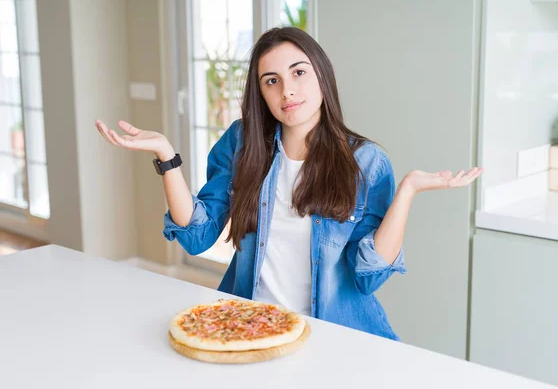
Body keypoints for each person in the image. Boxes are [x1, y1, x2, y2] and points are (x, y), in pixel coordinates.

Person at [95, 27, 483, 341]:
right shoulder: (242, 142)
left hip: (336, 335)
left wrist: (408, 191)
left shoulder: (365, 162)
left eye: (299, 73)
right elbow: (197, 236)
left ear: (321, 75)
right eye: (271, 81)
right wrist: (167, 156)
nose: (287, 91)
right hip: (251, 325)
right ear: (260, 92)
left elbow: (368, 276)